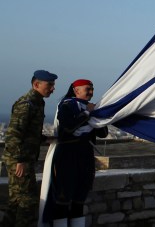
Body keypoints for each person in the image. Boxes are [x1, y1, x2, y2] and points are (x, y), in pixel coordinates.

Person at [43, 79, 108, 227]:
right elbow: (69, 127)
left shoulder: (91, 107)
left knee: (80, 198)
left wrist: (100, 115)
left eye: (92, 89)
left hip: (85, 154)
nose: (91, 92)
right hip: (68, 155)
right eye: (88, 89)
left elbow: (103, 133)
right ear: (76, 90)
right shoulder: (66, 105)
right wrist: (87, 113)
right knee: (63, 199)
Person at [2, 69, 57, 227]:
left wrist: (46, 139)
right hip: (19, 161)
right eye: (50, 85)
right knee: (28, 201)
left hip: (24, 159)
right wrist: (20, 160)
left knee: (16, 201)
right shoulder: (27, 104)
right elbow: (14, 135)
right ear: (36, 84)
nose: (53, 89)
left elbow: (29, 133)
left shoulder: (38, 102)